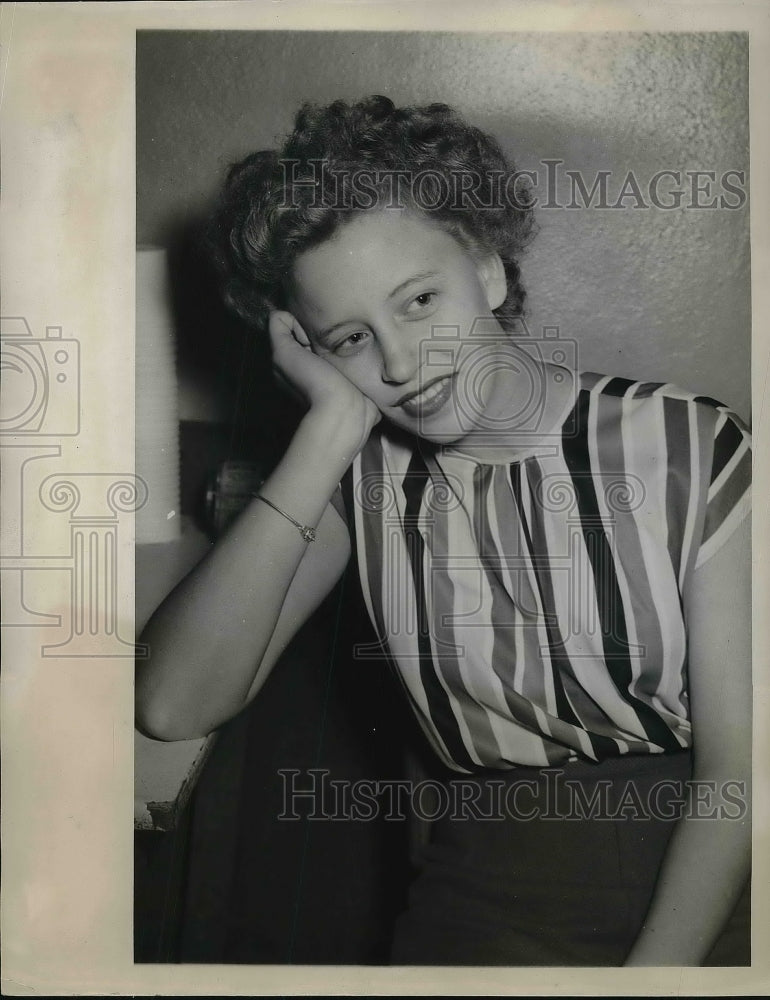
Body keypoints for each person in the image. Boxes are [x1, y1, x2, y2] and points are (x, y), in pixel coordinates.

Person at [135, 95, 752, 966]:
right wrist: (325, 438)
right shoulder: (364, 477)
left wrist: (653, 984)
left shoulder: (691, 444)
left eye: (419, 300)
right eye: (349, 338)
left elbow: (741, 775)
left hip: (718, 884)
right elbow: (172, 705)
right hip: (486, 900)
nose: (396, 364)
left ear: (491, 269)